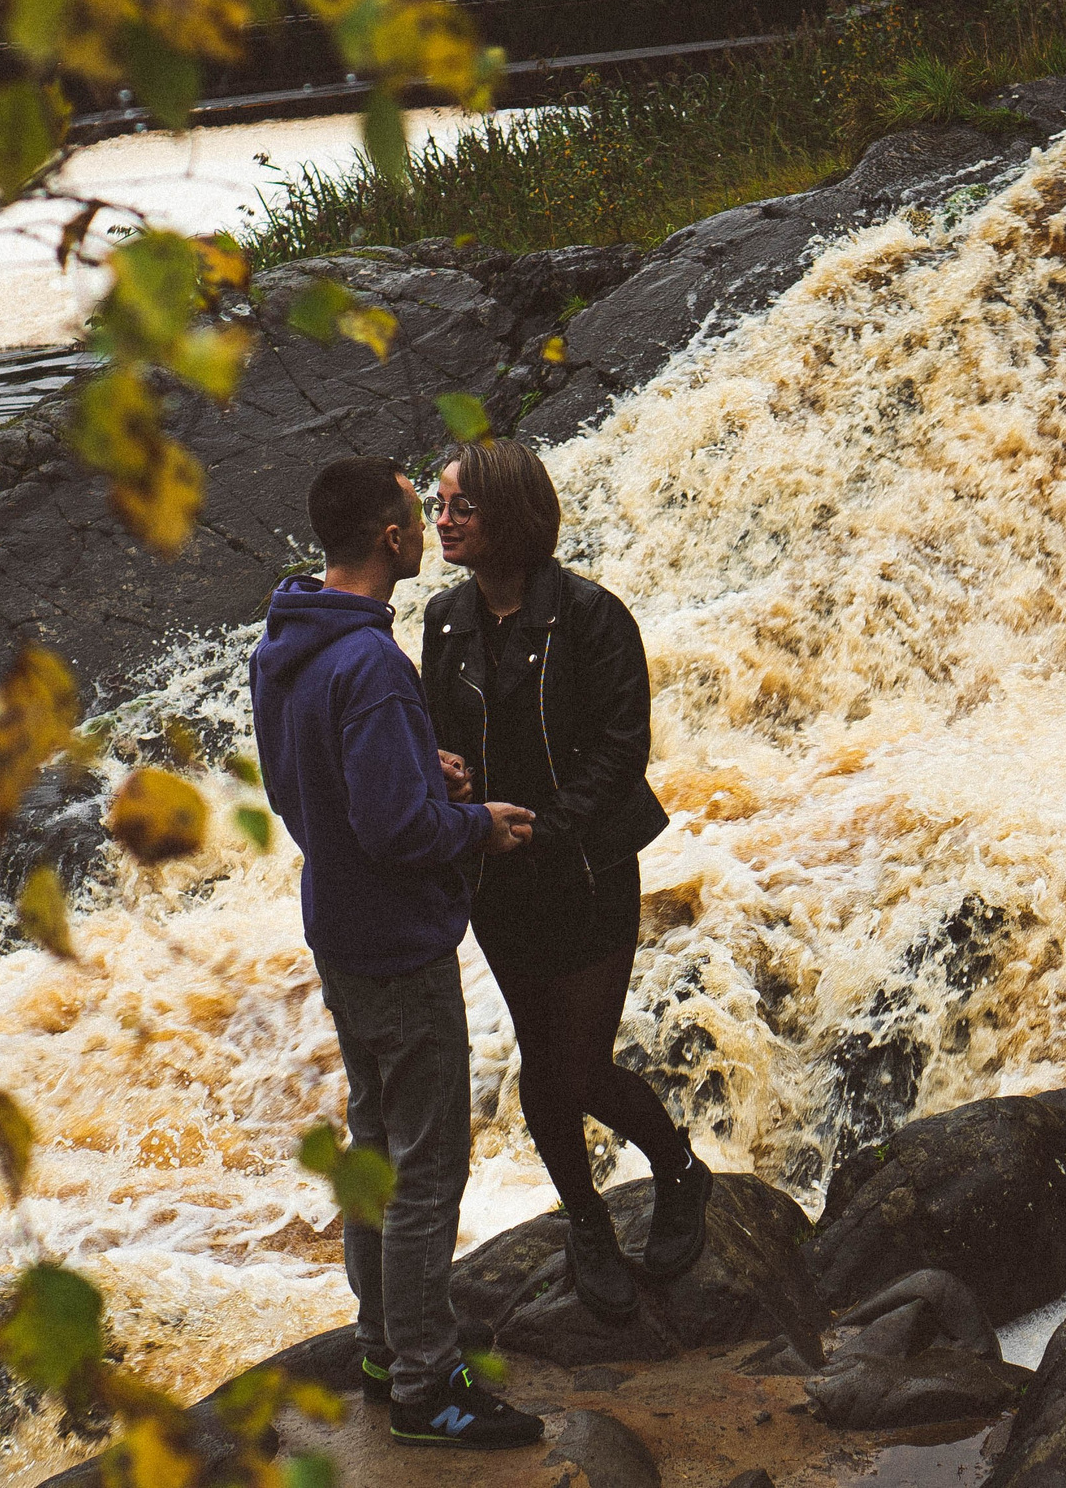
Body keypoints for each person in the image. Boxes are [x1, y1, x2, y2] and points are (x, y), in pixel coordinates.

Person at [250, 456, 545, 1451]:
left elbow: (306, 786)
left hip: (336, 925)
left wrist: (418, 770)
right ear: (389, 537)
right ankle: (425, 1387)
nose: (431, 528)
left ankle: (381, 1348)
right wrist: (471, 825)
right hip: (395, 939)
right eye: (420, 515)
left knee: (375, 1151)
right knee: (425, 1168)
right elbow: (395, 832)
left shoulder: (287, 641)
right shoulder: (372, 662)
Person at [419, 439, 710, 1324]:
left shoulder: (590, 616)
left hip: (584, 871)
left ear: (510, 511)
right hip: (497, 883)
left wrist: (542, 828)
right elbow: (436, 730)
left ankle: (678, 1168)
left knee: (577, 1066)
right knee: (544, 1069)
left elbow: (625, 748)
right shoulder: (443, 620)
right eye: (438, 505)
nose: (444, 519)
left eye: (461, 505)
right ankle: (585, 1217)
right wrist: (445, 776)